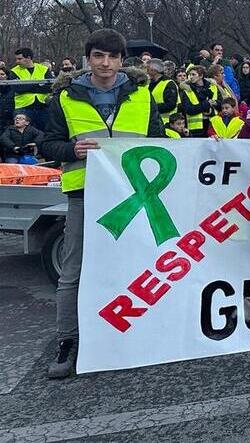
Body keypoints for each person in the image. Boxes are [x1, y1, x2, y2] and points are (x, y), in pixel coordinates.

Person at [38, 28, 164, 379]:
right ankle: (68, 341)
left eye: (112, 57)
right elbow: (48, 145)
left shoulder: (142, 95)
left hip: (135, 195)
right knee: (73, 271)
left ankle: (138, 332)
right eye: (98, 56)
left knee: (140, 265)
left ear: (122, 61)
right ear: (88, 59)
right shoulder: (64, 98)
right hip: (85, 194)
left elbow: (159, 141)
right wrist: (71, 150)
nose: (105, 63)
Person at [11, 47, 54, 131]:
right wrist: (38, 84)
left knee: (45, 132)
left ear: (29, 58)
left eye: (20, 59)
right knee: (21, 134)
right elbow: (17, 88)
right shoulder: (14, 71)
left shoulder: (43, 69)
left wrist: (27, 86)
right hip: (23, 107)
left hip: (42, 106)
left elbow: (50, 87)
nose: (17, 61)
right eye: (16, 59)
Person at [177, 69, 210, 137]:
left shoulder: (211, 87)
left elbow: (219, 104)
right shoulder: (187, 91)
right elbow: (189, 109)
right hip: (195, 129)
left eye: (193, 74)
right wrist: (207, 104)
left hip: (211, 126)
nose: (191, 77)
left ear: (201, 76)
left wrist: (211, 111)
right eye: (190, 75)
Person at [145, 58, 177, 125]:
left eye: (148, 69)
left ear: (154, 70)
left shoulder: (168, 83)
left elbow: (171, 104)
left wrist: (151, 107)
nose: (146, 72)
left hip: (166, 123)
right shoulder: (149, 83)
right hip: (153, 121)